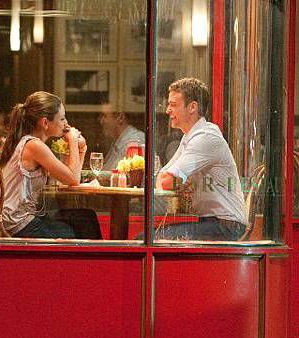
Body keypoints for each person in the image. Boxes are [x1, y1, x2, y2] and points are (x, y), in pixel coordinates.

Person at [0, 91, 102, 239]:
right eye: (62, 118)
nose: (66, 123)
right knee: (82, 229)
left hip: (21, 220)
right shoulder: (34, 146)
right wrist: (73, 141)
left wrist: (81, 149)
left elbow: (67, 178)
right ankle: (98, 255)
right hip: (19, 225)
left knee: (86, 217)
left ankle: (97, 255)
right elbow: (73, 179)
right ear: (45, 123)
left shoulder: (32, 143)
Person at [155, 78, 247, 241]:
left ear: (192, 107)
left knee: (148, 238)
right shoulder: (190, 136)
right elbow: (161, 177)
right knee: (147, 237)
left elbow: (166, 182)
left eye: (173, 105)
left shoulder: (205, 137)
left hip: (226, 226)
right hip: (213, 223)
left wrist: (179, 181)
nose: (168, 110)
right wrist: (179, 180)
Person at [98, 104, 145, 171]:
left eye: (104, 116)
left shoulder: (134, 142)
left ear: (121, 118)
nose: (101, 121)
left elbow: (133, 176)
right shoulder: (118, 140)